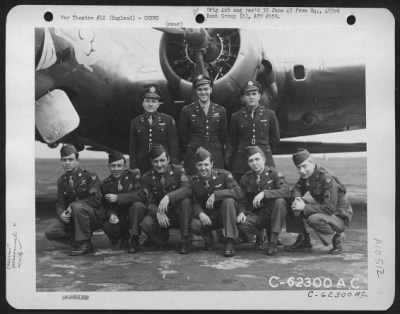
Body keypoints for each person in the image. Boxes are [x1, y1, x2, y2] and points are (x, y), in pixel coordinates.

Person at [288, 148, 353, 254]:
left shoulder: (326, 178)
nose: (302, 171)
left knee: (314, 219)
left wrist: (304, 207)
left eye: (304, 166)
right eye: (298, 168)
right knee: (292, 203)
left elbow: (329, 208)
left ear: (312, 162)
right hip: (327, 211)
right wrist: (297, 198)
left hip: (339, 216)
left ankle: (337, 238)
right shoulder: (307, 175)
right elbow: (297, 189)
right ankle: (304, 239)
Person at [44, 144, 105, 256]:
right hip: (73, 217)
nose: (67, 163)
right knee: (51, 232)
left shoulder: (90, 176)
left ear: (77, 160)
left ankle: (84, 243)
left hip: (92, 216)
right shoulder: (62, 181)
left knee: (77, 207)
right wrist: (61, 214)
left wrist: (73, 206)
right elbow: (60, 202)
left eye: (71, 160)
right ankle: (80, 242)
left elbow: (96, 200)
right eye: (64, 160)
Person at [190, 147, 244, 257]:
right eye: (200, 165)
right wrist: (200, 213)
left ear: (212, 164)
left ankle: (230, 241)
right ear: (196, 166)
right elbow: (194, 201)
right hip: (207, 217)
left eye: (206, 164)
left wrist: (217, 195)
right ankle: (208, 236)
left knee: (228, 201)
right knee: (194, 224)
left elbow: (238, 193)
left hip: (224, 215)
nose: (203, 168)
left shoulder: (223, 175)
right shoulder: (193, 181)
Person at [139, 145, 192, 254]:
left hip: (177, 213)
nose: (159, 165)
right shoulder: (146, 178)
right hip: (161, 214)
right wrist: (157, 212)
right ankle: (161, 239)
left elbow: (187, 189)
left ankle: (185, 239)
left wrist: (169, 197)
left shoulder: (178, 171)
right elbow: (149, 202)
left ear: (168, 160)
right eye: (156, 161)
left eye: (162, 160)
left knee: (185, 202)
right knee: (146, 223)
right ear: (151, 162)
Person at [238, 146, 290, 255]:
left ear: (264, 160)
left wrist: (264, 193)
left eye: (257, 159)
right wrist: (241, 211)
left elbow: (286, 191)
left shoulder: (274, 174)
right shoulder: (246, 178)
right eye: (251, 161)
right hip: (257, 215)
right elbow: (241, 199)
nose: (254, 163)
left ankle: (273, 241)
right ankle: (259, 234)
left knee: (280, 201)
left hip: (272, 215)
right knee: (241, 223)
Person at [229, 80, 280, 181]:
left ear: (259, 96)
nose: (251, 97)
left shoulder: (270, 114)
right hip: (242, 159)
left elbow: (275, 138)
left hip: (264, 157)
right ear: (244, 98)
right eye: (248, 94)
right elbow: (233, 140)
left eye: (254, 94)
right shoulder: (236, 116)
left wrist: (264, 149)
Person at [179, 74, 229, 175]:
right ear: (196, 91)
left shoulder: (220, 110)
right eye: (200, 89)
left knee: (217, 179)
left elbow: (223, 135)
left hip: (215, 152)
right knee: (194, 181)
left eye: (206, 89)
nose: (203, 92)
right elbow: (183, 136)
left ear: (211, 89)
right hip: (194, 153)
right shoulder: (187, 110)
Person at [101, 152, 147, 253]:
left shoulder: (134, 176)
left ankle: (134, 239)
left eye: (119, 165)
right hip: (119, 216)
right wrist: (111, 215)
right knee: (106, 224)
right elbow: (105, 206)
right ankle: (123, 237)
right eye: (113, 166)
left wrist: (118, 198)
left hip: (134, 214)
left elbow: (141, 194)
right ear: (109, 167)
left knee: (138, 205)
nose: (116, 169)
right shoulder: (105, 184)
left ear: (125, 166)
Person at [129, 84, 179, 175]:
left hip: (162, 163)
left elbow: (173, 144)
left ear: (158, 104)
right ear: (143, 103)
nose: (150, 104)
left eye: (153, 101)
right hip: (143, 164)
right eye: (147, 101)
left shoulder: (167, 120)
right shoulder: (135, 122)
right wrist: (133, 166)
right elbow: (133, 146)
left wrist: (174, 163)